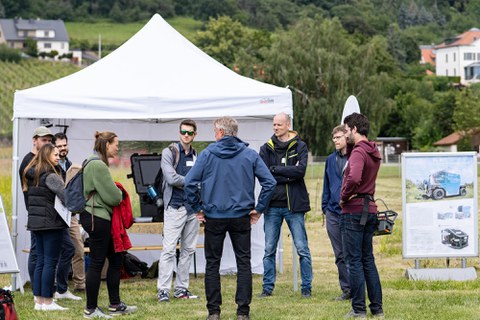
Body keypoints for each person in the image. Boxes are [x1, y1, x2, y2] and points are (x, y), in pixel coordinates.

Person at [185, 116, 276, 320]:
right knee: (243, 263)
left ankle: (214, 312)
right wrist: (259, 208)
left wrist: (197, 208)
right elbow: (269, 182)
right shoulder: (249, 154)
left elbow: (190, 182)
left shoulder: (208, 154)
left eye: (214, 131)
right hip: (241, 216)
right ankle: (242, 312)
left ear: (220, 132)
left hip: (214, 216)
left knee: (212, 264)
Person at [79, 131, 137, 319]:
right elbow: (113, 197)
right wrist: (119, 192)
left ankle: (115, 304)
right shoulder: (98, 166)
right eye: (115, 144)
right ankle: (91, 309)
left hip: (97, 216)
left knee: (116, 259)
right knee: (97, 263)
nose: (117, 148)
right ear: (106, 145)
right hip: (98, 218)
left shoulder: (93, 162)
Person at [259, 112, 313, 298]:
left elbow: (301, 171)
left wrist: (276, 170)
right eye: (274, 124)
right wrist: (288, 172)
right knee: (269, 249)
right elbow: (265, 175)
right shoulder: (266, 148)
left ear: (288, 124)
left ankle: (306, 288)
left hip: (294, 206)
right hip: (272, 206)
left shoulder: (300, 146)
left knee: (302, 248)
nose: (275, 128)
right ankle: (267, 288)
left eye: (279, 125)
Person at [340, 113, 383, 318]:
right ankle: (377, 308)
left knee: (354, 261)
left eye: (346, 130)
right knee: (368, 260)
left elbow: (355, 177)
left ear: (354, 129)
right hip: (370, 208)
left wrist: (343, 196)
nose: (345, 133)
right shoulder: (373, 151)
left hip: (355, 210)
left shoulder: (358, 151)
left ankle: (358, 310)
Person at [157, 119, 200, 302]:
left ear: (195, 134)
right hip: (174, 207)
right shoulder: (169, 152)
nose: (186, 135)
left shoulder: (196, 155)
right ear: (179, 132)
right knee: (168, 250)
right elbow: (171, 178)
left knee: (188, 250)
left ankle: (181, 289)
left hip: (192, 209)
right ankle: (163, 291)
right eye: (183, 131)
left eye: (190, 132)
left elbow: (202, 178)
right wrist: (193, 183)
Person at [22, 144, 68, 311]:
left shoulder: (32, 174)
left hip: (36, 224)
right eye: (55, 154)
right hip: (51, 223)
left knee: (41, 261)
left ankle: (39, 301)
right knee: (50, 262)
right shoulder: (51, 176)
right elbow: (66, 196)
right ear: (47, 155)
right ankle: (48, 301)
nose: (58, 157)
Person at [18, 126, 53, 296]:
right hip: (36, 214)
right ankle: (37, 291)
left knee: (41, 254)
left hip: (41, 214)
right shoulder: (29, 161)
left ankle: (40, 290)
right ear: (35, 140)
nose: (47, 143)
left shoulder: (40, 160)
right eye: (43, 140)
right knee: (37, 253)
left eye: (49, 140)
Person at [52, 132, 84, 299]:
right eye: (59, 146)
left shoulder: (72, 165)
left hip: (70, 214)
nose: (63, 148)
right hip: (55, 214)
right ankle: (57, 285)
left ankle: (80, 283)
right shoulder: (52, 165)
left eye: (65, 145)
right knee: (57, 250)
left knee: (78, 247)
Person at [321, 125, 351, 301]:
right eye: (333, 138)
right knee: (339, 254)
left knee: (351, 253)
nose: (335, 141)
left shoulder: (355, 157)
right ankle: (346, 289)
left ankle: (358, 288)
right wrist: (325, 207)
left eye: (338, 137)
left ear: (346, 137)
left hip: (349, 211)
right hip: (332, 211)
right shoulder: (330, 159)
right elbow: (327, 183)